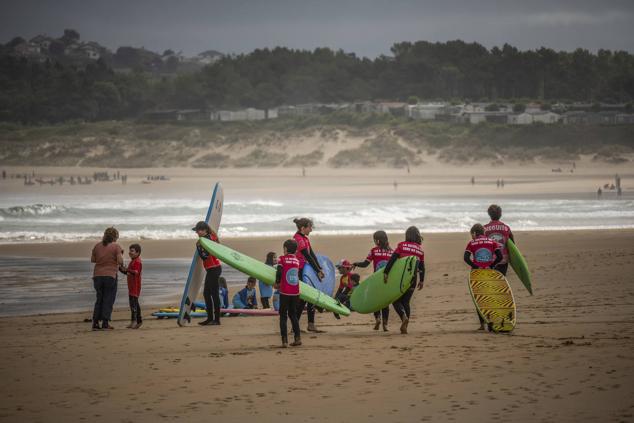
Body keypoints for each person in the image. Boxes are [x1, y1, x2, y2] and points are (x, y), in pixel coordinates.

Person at [383, 226, 425, 334]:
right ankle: (406, 325)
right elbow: (422, 267)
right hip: (413, 279)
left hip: (401, 278)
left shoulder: (401, 245)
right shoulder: (420, 250)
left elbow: (393, 259)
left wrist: (386, 272)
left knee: (395, 300)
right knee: (406, 302)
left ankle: (403, 317)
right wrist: (422, 280)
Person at [464, 224, 503, 330]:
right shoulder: (492, 242)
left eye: (471, 234)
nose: (471, 236)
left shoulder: (471, 243)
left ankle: (482, 324)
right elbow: (500, 256)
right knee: (489, 296)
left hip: (477, 273)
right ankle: (492, 321)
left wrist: (475, 266)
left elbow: (466, 258)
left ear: (474, 233)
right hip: (490, 272)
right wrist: (491, 265)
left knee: (478, 298)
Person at [352, 230, 393, 331]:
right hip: (387, 280)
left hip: (376, 280)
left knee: (375, 301)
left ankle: (377, 318)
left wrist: (356, 264)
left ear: (377, 240)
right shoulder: (392, 252)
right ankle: (385, 324)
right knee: (385, 302)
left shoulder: (374, 251)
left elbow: (365, 264)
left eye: (374, 239)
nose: (374, 241)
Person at [292, 217, 324, 332]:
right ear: (303, 228)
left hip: (306, 270)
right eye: (310, 227)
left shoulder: (305, 238)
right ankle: (295, 327)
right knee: (303, 298)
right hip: (299, 271)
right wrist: (317, 270)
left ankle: (310, 324)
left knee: (310, 296)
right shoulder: (298, 239)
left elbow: (312, 254)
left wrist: (319, 268)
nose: (311, 230)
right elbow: (307, 256)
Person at [90, 227, 124, 330]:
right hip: (110, 275)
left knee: (99, 299)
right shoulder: (116, 246)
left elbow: (93, 260)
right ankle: (105, 323)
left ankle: (95, 323)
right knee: (108, 299)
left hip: (97, 276)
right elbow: (120, 262)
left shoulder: (97, 246)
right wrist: (120, 255)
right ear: (115, 237)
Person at [193, 221, 222, 326]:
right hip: (212, 269)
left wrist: (198, 246)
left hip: (214, 268)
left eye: (198, 231)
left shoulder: (207, 240)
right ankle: (210, 318)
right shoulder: (210, 237)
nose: (197, 233)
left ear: (204, 230)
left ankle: (216, 319)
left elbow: (205, 256)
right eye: (196, 231)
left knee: (213, 294)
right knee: (207, 293)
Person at [275, 239, 302, 347]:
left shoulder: (282, 259)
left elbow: (279, 272)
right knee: (293, 315)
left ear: (285, 249)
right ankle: (297, 338)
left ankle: (284, 341)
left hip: (285, 291)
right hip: (295, 292)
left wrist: (277, 283)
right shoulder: (297, 261)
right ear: (295, 251)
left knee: (283, 316)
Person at [483, 204, 515, 276]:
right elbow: (513, 245)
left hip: (489, 260)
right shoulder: (506, 228)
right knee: (501, 281)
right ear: (500, 214)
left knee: (491, 281)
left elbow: (482, 245)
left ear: (489, 214)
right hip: (503, 260)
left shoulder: (484, 229)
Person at [120, 243, 143, 329]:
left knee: (133, 304)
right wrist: (121, 269)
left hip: (135, 286)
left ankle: (134, 321)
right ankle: (138, 321)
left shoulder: (137, 261)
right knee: (134, 304)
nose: (130, 252)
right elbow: (128, 273)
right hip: (131, 286)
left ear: (138, 253)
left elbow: (136, 272)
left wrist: (127, 269)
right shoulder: (132, 261)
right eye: (130, 250)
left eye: (132, 251)